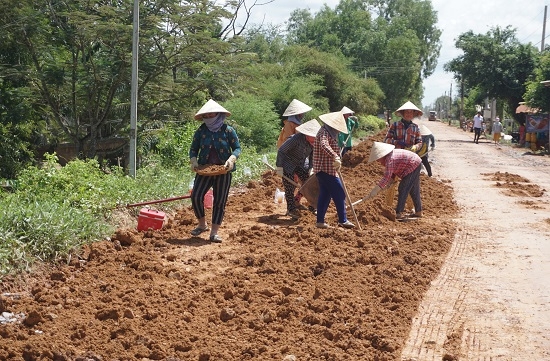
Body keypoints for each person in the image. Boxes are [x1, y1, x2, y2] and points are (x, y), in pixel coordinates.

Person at [188, 99, 241, 243]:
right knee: (196, 196)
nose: (209, 118)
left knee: (220, 201)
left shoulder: (228, 130)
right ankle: (202, 224)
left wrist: (231, 159)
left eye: (212, 115)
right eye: (207, 115)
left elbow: (237, 148)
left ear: (218, 114)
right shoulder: (201, 131)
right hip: (204, 169)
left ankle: (214, 232)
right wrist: (193, 160)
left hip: (223, 170)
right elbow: (193, 149)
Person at [313, 111, 355, 229]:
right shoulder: (324, 132)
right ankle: (343, 220)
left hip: (328, 169)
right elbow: (324, 145)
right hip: (324, 169)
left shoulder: (329, 133)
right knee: (339, 192)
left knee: (325, 195)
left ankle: (320, 221)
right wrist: (335, 156)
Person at [364, 142, 423, 221]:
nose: (378, 161)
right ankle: (418, 212)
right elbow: (393, 172)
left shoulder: (390, 160)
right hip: (414, 163)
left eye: (378, 159)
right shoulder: (389, 158)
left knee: (403, 188)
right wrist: (390, 182)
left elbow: (386, 177)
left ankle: (399, 213)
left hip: (413, 164)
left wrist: (376, 189)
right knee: (413, 190)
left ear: (382, 156)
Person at [276, 119, 320, 220]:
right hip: (288, 163)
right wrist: (279, 167)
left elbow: (312, 155)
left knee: (308, 183)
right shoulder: (295, 139)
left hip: (301, 164)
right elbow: (282, 151)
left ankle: (311, 205)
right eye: (312, 136)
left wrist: (310, 168)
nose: (314, 138)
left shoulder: (314, 142)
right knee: (289, 186)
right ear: (306, 134)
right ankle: (290, 209)